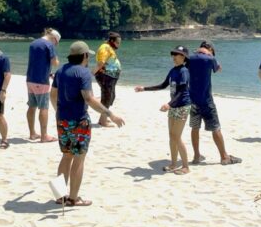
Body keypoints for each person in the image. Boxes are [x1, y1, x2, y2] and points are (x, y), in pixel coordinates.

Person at [51, 41, 125, 207]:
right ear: (84, 56)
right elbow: (89, 98)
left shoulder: (60, 71)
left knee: (66, 156)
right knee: (79, 159)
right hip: (79, 121)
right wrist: (110, 114)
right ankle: (73, 198)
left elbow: (53, 95)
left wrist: (58, 111)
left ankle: (59, 196)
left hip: (62, 120)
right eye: (88, 56)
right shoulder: (83, 73)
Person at [134, 45, 192, 175]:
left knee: (177, 136)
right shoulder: (173, 70)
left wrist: (169, 104)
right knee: (172, 136)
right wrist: (144, 88)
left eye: (177, 55)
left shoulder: (184, 71)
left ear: (183, 57)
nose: (174, 57)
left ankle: (186, 166)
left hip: (182, 106)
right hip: (173, 105)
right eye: (173, 54)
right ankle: (173, 164)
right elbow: (163, 85)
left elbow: (182, 91)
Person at [187, 41, 241, 165]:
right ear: (210, 49)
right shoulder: (210, 58)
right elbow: (218, 68)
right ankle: (224, 157)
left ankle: (196, 156)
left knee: (195, 128)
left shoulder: (189, 58)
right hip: (206, 101)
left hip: (193, 100)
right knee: (215, 128)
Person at [26, 28, 60, 142]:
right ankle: (44, 135)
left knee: (32, 106)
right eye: (56, 43)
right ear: (54, 39)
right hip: (41, 81)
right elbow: (55, 63)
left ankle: (32, 134)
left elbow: (37, 62)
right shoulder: (49, 45)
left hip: (30, 79)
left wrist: (48, 72)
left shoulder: (33, 43)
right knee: (44, 107)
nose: (55, 45)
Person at [94, 31, 122, 127]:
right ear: (111, 40)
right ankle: (103, 121)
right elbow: (101, 62)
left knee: (110, 96)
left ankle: (103, 118)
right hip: (105, 76)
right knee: (107, 97)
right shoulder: (105, 47)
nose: (119, 44)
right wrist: (91, 73)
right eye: (117, 42)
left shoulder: (108, 48)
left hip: (110, 77)